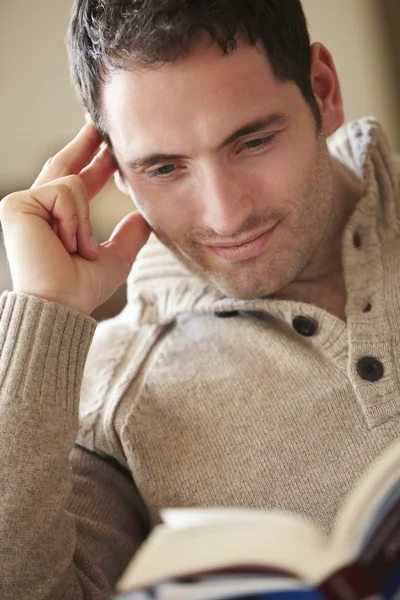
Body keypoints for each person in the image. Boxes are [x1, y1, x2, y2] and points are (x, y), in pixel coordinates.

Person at [0, 0, 399, 598]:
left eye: (254, 141)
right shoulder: (114, 395)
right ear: (118, 173)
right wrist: (43, 306)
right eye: (164, 169)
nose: (226, 214)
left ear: (322, 90)